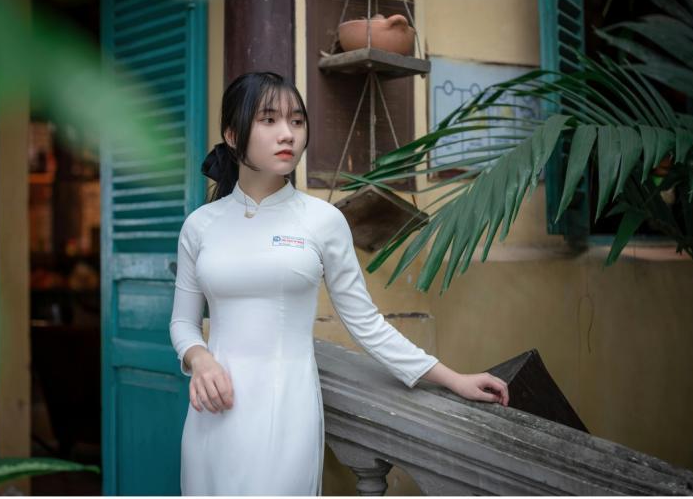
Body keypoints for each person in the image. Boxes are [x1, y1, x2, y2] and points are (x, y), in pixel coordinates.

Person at [169, 71, 509, 496]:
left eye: (296, 121)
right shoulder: (200, 226)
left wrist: (452, 378)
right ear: (233, 134)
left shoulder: (321, 220)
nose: (287, 134)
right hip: (211, 415)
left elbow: (366, 322)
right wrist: (199, 359)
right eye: (269, 120)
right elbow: (182, 324)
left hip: (286, 412)